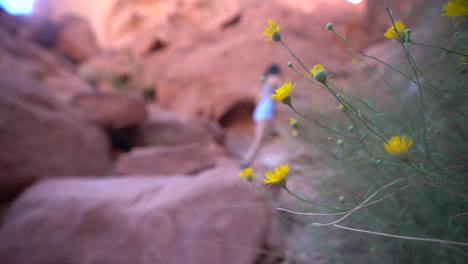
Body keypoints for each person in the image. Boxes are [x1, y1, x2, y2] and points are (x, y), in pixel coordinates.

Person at [241, 64, 282, 168]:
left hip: (262, 111)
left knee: (270, 136)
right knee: (259, 139)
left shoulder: (265, 82)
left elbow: (258, 99)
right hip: (266, 112)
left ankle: (261, 161)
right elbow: (284, 88)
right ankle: (246, 163)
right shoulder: (273, 79)